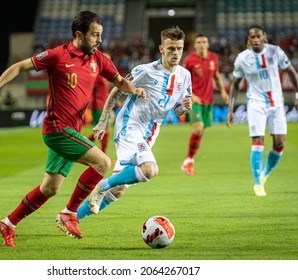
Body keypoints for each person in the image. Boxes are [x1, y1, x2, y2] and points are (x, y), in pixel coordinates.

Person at [0, 10, 146, 246]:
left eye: (100, 35)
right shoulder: (57, 55)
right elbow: (20, 66)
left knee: (50, 187)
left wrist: (134, 90)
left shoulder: (99, 59)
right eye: (95, 35)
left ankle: (8, 223)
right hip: (57, 128)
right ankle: (69, 213)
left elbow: (119, 81)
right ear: (79, 34)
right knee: (103, 162)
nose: (99, 40)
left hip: (71, 129)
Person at [76, 26, 192, 220]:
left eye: (179, 48)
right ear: (161, 49)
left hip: (150, 133)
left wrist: (184, 108)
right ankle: (102, 185)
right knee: (149, 169)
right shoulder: (145, 71)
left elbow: (177, 110)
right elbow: (116, 90)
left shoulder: (184, 76)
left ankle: (71, 217)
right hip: (130, 124)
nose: (176, 53)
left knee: (119, 190)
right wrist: (103, 120)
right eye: (171, 48)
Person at [226, 24, 298, 197]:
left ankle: (264, 175)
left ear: (264, 38)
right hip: (255, 103)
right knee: (257, 140)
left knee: (280, 143)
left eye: (258, 36)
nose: (255, 40)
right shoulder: (242, 58)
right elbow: (235, 84)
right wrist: (231, 109)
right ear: (248, 40)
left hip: (276, 102)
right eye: (252, 37)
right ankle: (257, 184)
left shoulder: (275, 52)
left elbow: (291, 71)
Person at [180, 34, 229, 175]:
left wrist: (223, 92)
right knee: (198, 128)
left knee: (200, 131)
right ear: (195, 45)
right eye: (199, 42)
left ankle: (189, 160)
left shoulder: (213, 57)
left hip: (209, 100)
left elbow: (217, 76)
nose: (201, 44)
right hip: (195, 100)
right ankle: (189, 160)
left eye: (204, 42)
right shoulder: (189, 60)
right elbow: (182, 81)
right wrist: (191, 95)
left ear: (208, 44)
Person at [87, 52, 112, 154]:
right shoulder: (96, 73)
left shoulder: (104, 74)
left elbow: (105, 91)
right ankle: (80, 146)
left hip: (104, 105)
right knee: (102, 130)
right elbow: (89, 87)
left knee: (103, 130)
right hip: (98, 106)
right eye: (107, 60)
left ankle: (102, 154)